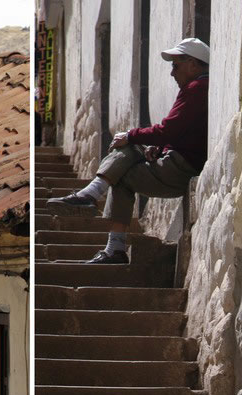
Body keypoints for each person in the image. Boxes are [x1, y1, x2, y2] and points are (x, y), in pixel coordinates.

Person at [46, 37, 210, 264]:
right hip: (180, 162)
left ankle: (96, 201)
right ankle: (99, 209)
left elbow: (168, 129)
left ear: (193, 64)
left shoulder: (196, 88)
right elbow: (183, 132)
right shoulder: (201, 87)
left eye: (176, 65)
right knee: (129, 153)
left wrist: (131, 135)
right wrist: (159, 148)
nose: (173, 73)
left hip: (181, 168)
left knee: (124, 162)